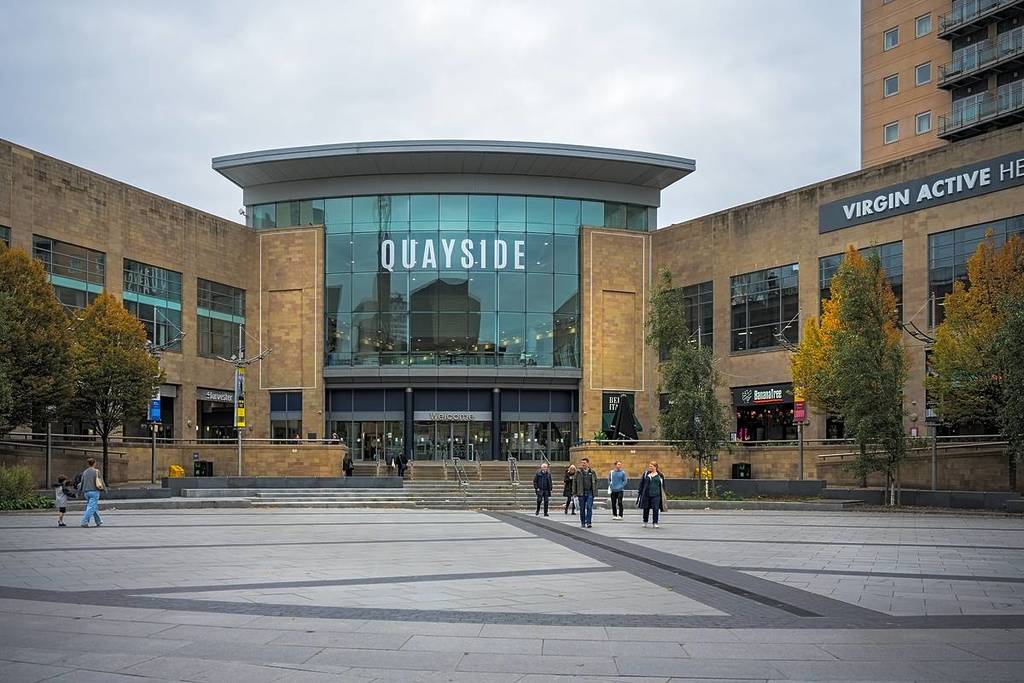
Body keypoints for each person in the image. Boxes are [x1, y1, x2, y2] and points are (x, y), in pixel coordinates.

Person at [637, 461, 666, 528]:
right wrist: (640, 491)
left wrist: (663, 493)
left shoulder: (660, 475)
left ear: (655, 467)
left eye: (651, 466)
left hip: (656, 495)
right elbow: (641, 483)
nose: (649, 467)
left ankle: (655, 522)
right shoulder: (646, 474)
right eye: (649, 466)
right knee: (646, 508)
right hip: (647, 494)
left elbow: (662, 485)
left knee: (656, 509)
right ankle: (645, 521)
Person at [76, 458, 104, 528]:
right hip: (94, 491)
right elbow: (100, 481)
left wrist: (78, 492)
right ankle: (84, 522)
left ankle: (98, 521)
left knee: (94, 507)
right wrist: (103, 489)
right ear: (94, 463)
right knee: (91, 507)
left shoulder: (85, 472)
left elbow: (81, 483)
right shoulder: (96, 471)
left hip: (86, 492)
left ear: (88, 464)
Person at [573, 457, 599, 528]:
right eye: (582, 463)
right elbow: (574, 482)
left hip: (590, 492)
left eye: (584, 463)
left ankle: (589, 522)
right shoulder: (578, 472)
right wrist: (574, 493)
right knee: (582, 508)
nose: (583, 464)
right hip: (581, 493)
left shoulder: (592, 472)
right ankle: (583, 522)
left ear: (588, 463)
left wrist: (595, 492)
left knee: (589, 507)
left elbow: (595, 482)